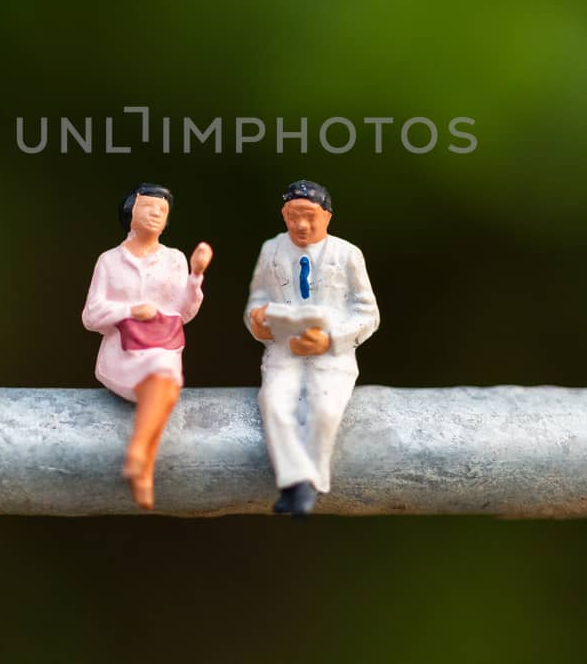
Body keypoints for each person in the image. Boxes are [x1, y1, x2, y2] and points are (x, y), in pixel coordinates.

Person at [244, 180, 378, 517]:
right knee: (274, 404)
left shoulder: (347, 254)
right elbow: (257, 298)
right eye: (293, 216)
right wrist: (257, 322)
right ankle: (296, 481)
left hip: (331, 354)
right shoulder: (271, 249)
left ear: (327, 216)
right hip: (285, 348)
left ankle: (309, 484)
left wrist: (331, 339)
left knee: (325, 409)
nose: (301, 225)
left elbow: (368, 313)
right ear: (283, 215)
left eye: (310, 216)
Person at [82, 183, 212, 510]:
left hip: (162, 346)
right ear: (130, 212)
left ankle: (141, 462)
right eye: (148, 207)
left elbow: (183, 311)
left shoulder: (174, 259)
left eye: (162, 211)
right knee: (166, 379)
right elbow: (91, 315)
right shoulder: (110, 261)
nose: (155, 214)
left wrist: (196, 275)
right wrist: (129, 311)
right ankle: (141, 459)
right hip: (122, 353)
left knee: (165, 376)